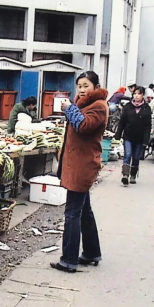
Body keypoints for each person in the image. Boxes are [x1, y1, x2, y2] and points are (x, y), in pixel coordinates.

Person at [50, 71, 109, 273]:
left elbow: (83, 126)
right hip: (76, 163)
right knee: (84, 210)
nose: (82, 90)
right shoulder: (82, 105)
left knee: (72, 213)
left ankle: (69, 260)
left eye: (86, 85)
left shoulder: (99, 106)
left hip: (83, 166)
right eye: (79, 86)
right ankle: (92, 252)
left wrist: (70, 109)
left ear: (95, 86)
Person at [115, 86, 152, 185]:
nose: (136, 96)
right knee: (127, 154)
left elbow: (148, 126)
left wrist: (146, 139)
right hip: (128, 135)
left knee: (136, 157)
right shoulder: (128, 107)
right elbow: (122, 122)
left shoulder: (146, 108)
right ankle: (125, 175)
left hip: (140, 137)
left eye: (139, 94)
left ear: (142, 95)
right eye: (135, 93)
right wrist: (118, 135)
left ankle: (133, 175)